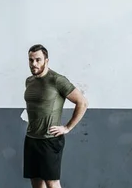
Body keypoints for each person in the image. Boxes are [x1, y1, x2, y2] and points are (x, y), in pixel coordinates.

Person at [23, 44, 88, 188]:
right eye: (31, 60)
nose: (34, 64)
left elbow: (82, 102)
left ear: (46, 60)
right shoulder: (29, 81)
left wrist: (67, 128)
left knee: (52, 183)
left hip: (49, 140)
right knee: (36, 183)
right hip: (31, 139)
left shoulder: (57, 80)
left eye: (38, 60)